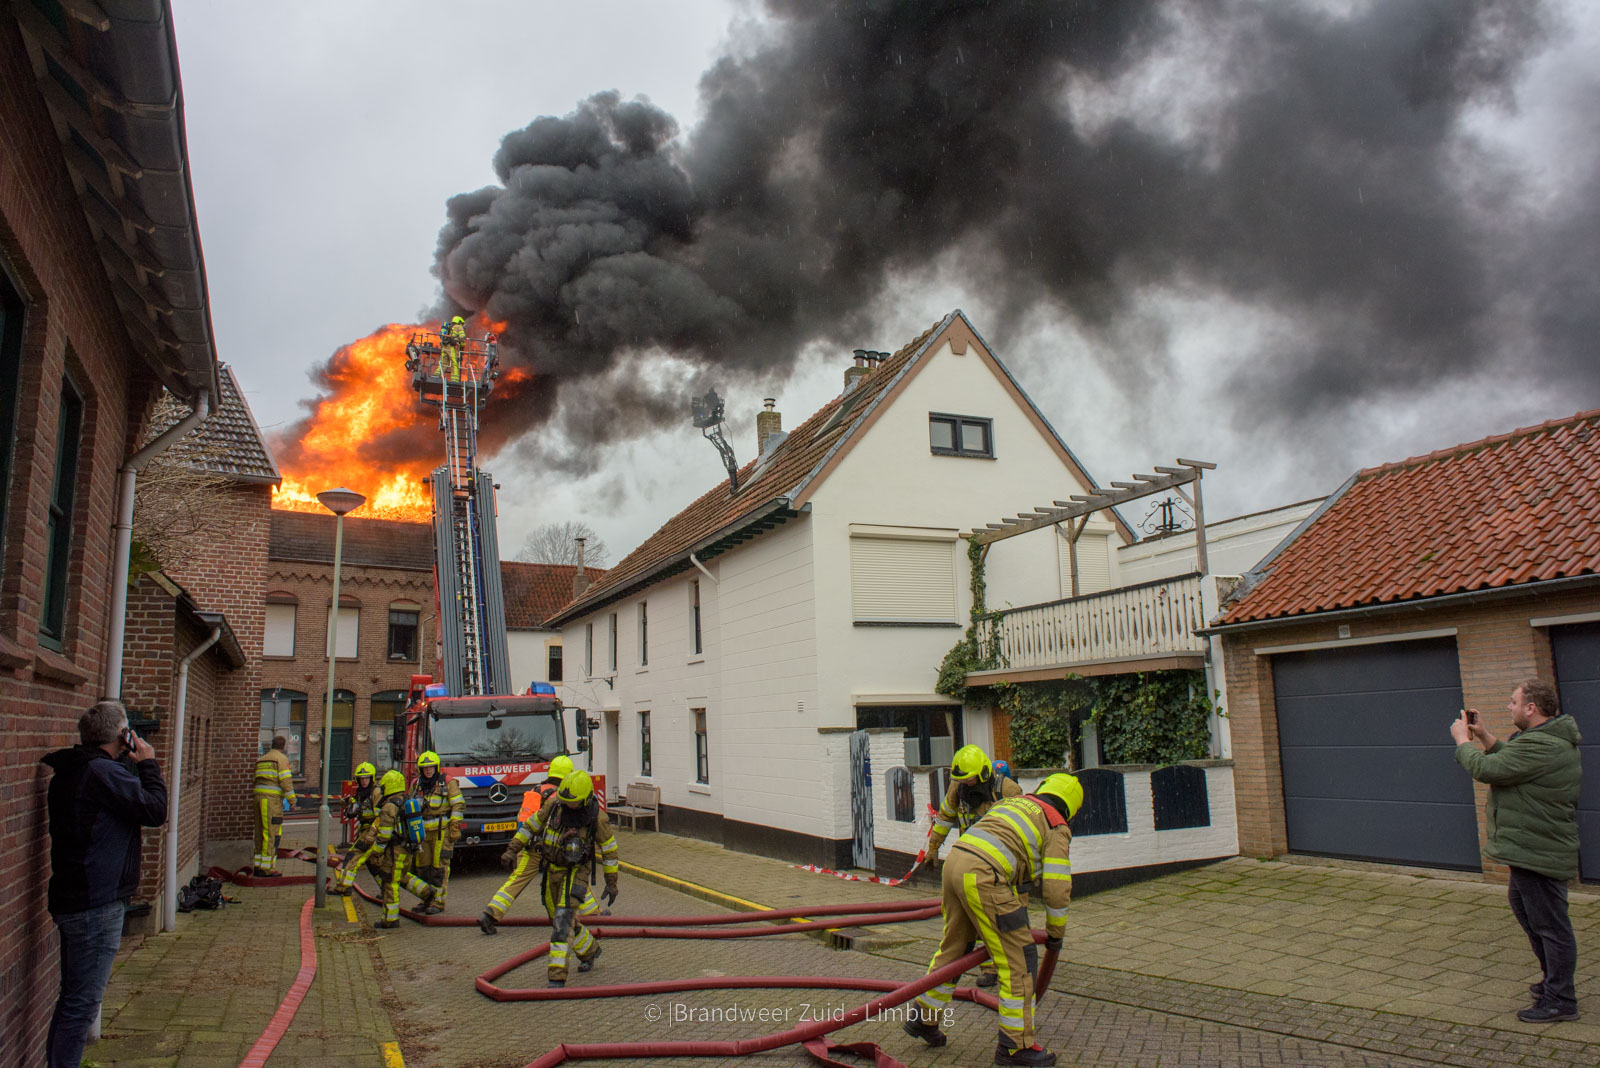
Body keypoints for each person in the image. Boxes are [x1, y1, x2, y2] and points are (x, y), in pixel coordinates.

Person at [905, 772, 1081, 1067]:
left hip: (956, 862)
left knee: (955, 948)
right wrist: (1055, 933)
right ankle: (1016, 1047)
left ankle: (924, 1017)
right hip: (984, 875)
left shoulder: (1016, 803)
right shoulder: (1055, 824)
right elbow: (1056, 887)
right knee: (1019, 959)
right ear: (1071, 807)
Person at [42, 700, 168, 1068]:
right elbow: (155, 809)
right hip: (93, 905)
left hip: (76, 898)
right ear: (122, 735)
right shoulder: (101, 774)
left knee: (72, 1002)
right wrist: (147, 763)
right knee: (80, 1006)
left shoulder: (74, 770)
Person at [1452, 678, 1582, 1023]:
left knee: (1551, 926)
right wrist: (1484, 736)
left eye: (1512, 702)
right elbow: (1510, 759)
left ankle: (1561, 1001)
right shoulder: (1541, 740)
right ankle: (1553, 983)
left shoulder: (1544, 745)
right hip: (1529, 847)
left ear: (1531, 708)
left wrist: (1463, 741)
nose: (1508, 707)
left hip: (1538, 847)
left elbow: (1487, 769)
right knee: (1529, 914)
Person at [927, 744, 1023, 988]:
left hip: (1001, 864)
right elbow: (946, 817)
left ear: (982, 773)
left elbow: (1023, 828)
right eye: (961, 780)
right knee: (968, 918)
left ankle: (1002, 967)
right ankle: (979, 966)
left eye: (969, 779)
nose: (965, 784)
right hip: (970, 861)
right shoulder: (957, 787)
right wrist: (933, 847)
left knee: (1000, 917)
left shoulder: (1007, 790)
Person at [479, 755, 604, 935]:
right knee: (575, 876)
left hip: (528, 847)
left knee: (516, 880)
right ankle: (594, 915)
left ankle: (491, 913)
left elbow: (524, 822)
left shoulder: (535, 791)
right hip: (552, 849)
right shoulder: (562, 796)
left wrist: (514, 848)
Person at [530, 769, 619, 986]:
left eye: (573, 803)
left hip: (576, 873)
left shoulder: (596, 818)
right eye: (566, 801)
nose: (568, 806)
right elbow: (531, 825)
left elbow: (609, 851)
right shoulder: (554, 808)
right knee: (559, 919)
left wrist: (611, 883)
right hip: (552, 871)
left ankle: (556, 977)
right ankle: (590, 950)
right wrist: (512, 847)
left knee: (562, 922)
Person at [351, 770, 436, 928]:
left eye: (383, 787)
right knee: (403, 875)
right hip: (409, 849)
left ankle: (390, 919)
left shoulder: (389, 807)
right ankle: (426, 891)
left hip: (395, 851)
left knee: (389, 881)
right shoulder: (407, 800)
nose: (381, 790)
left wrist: (376, 852)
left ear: (388, 787)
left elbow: (384, 835)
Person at [411, 751, 464, 913]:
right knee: (422, 867)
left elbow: (458, 805)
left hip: (442, 832)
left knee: (439, 867)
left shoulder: (447, 782)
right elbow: (410, 807)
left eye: (431, 767)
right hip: (422, 833)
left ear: (436, 767)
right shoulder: (416, 784)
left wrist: (454, 827)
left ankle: (438, 902)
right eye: (425, 767)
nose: (428, 770)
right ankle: (426, 899)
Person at [331, 762, 381, 895]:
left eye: (367, 778)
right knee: (374, 865)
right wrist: (348, 803)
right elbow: (359, 806)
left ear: (372, 778)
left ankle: (343, 887)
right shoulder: (361, 793)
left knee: (352, 857)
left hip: (370, 833)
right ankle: (387, 891)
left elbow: (379, 817)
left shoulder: (375, 793)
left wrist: (371, 835)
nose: (364, 781)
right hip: (365, 831)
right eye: (361, 779)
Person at [252, 735, 297, 876]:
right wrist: (292, 800)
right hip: (271, 802)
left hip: (257, 799)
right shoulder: (281, 759)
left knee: (259, 833)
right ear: (283, 746)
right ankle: (267, 869)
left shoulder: (261, 759)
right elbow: (286, 782)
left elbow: (255, 779)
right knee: (271, 833)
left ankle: (257, 865)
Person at [440, 315, 466, 379]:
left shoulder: (450, 327)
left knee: (443, 363)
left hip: (445, 346)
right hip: (452, 347)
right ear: (459, 322)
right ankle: (455, 379)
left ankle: (437, 376)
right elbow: (462, 337)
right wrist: (462, 347)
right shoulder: (459, 327)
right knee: (455, 363)